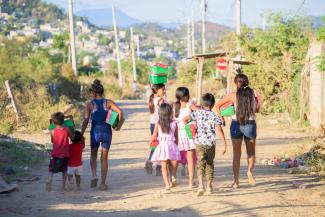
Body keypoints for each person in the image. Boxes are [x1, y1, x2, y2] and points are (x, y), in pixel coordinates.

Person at [215, 73, 260, 189]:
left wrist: (221, 118)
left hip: (236, 125)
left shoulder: (232, 95)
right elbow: (257, 109)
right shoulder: (253, 94)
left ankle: (236, 182)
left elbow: (217, 106)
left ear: (236, 83)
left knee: (236, 154)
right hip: (250, 125)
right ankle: (249, 171)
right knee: (251, 153)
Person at [81, 79, 123, 191]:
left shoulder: (90, 105)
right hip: (106, 132)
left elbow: (85, 120)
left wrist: (81, 134)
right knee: (104, 158)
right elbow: (119, 112)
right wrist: (117, 125)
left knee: (93, 155)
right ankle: (103, 184)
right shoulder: (108, 102)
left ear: (94, 93)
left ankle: (94, 175)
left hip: (95, 133)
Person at [188, 93, 227, 196]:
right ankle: (209, 187)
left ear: (202, 103)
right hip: (210, 144)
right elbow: (219, 130)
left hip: (199, 143)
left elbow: (186, 119)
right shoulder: (214, 115)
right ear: (213, 103)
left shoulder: (197, 113)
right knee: (210, 164)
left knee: (200, 165)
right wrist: (224, 144)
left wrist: (190, 130)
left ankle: (201, 186)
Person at [150, 103, 180, 193]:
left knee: (164, 166)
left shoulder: (158, 123)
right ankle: (173, 175)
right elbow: (176, 136)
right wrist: (177, 145)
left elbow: (154, 136)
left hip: (162, 146)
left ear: (160, 113)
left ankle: (167, 185)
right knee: (173, 164)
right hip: (172, 145)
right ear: (170, 112)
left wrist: (151, 143)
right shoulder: (174, 123)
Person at [174, 87, 197, 189]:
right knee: (190, 158)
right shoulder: (189, 106)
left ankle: (173, 177)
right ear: (186, 96)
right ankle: (191, 182)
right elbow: (199, 111)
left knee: (176, 157)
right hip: (188, 132)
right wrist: (191, 117)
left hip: (178, 133)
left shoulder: (175, 107)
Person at [46, 112, 75, 192]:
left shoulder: (53, 131)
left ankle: (49, 180)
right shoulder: (67, 129)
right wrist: (71, 126)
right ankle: (63, 186)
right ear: (63, 121)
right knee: (64, 171)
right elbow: (72, 138)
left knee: (51, 170)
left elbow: (52, 141)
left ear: (53, 122)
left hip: (55, 154)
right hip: (65, 155)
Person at [145, 84, 166, 175]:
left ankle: (150, 160)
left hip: (152, 124)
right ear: (157, 90)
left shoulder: (150, 99)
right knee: (161, 145)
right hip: (160, 124)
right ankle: (159, 167)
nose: (164, 91)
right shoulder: (161, 100)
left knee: (155, 144)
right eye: (163, 90)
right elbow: (164, 113)